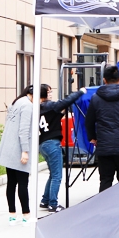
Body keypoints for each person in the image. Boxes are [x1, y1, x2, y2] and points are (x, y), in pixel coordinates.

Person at [38, 83, 87, 212]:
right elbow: (66, 101)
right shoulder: (50, 105)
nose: (51, 94)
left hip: (43, 144)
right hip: (52, 143)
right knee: (57, 176)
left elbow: (54, 117)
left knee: (52, 174)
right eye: (49, 92)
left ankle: (45, 200)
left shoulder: (39, 108)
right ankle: (53, 204)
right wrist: (81, 92)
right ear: (44, 94)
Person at [85, 65, 119, 192]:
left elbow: (89, 121)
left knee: (105, 180)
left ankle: (104, 204)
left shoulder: (96, 97)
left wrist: (92, 137)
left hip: (104, 146)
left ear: (104, 80)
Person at [0, 85, 34, 225]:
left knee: (11, 183)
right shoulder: (27, 106)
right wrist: (25, 151)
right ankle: (26, 215)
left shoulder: (17, 101)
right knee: (23, 183)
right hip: (19, 150)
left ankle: (12, 215)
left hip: (9, 148)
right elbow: (24, 130)